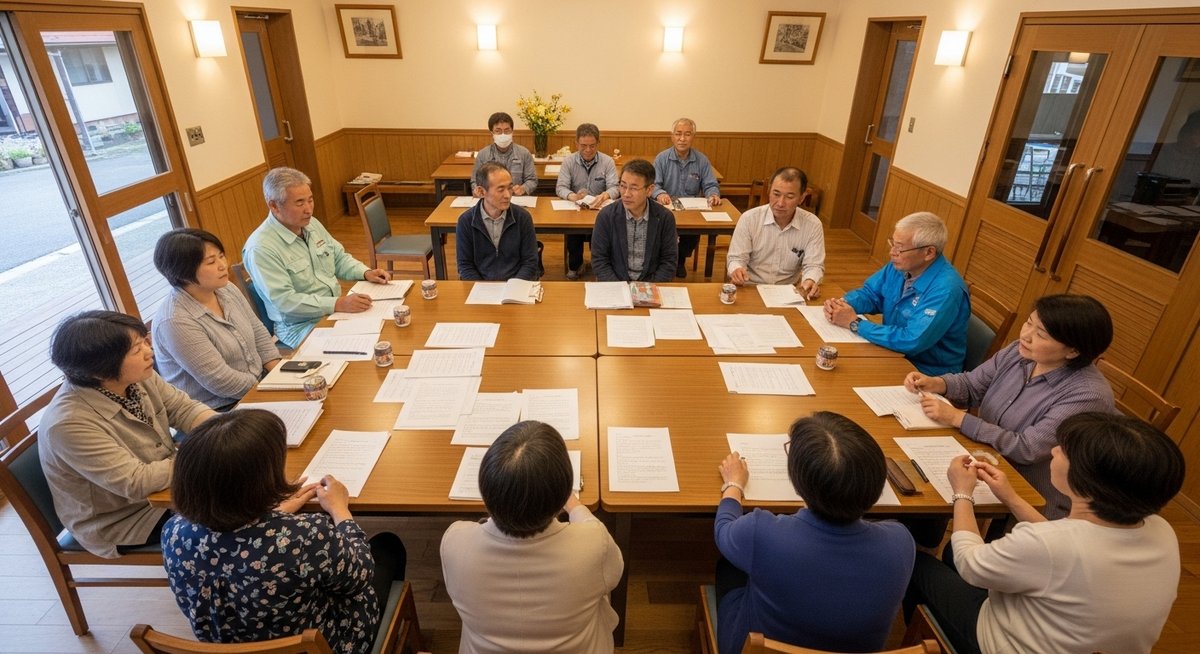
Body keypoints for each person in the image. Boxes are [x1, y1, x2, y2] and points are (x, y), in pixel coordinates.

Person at [904, 412, 1185, 654]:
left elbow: (970, 565)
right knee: (956, 550)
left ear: (1087, 482)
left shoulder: (1048, 545)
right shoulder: (1160, 530)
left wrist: (962, 493)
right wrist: (1012, 498)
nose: (1053, 451)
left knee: (913, 560)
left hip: (1005, 645)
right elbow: (1067, 546)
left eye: (1063, 449)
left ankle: (924, 641)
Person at [163, 410, 406, 654]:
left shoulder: (172, 533)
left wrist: (276, 514)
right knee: (387, 546)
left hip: (228, 648)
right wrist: (340, 509)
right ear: (260, 479)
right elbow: (360, 576)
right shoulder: (304, 535)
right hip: (326, 645)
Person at [715, 411, 915, 654]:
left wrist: (734, 484)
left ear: (798, 479)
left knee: (728, 566)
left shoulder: (761, 533)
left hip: (752, 646)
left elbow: (724, 529)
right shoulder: (901, 543)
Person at [903, 294, 1115, 520]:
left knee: (926, 497)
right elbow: (973, 385)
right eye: (1029, 323)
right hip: (986, 459)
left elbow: (1027, 448)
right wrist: (938, 383)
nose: (1026, 335)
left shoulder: (1087, 395)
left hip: (1032, 495)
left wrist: (958, 419)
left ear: (1073, 351)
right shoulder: (1019, 351)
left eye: (1041, 334)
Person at [38, 311, 216, 558]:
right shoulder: (68, 424)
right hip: (127, 519)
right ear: (100, 371)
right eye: (135, 350)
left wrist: (223, 432)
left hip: (166, 486)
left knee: (253, 488)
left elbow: (183, 408)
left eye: (144, 340)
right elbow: (136, 482)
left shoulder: (137, 376)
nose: (148, 351)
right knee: (237, 517)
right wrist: (205, 454)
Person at [441, 421, 622, 653]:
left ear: (487, 492)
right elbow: (614, 573)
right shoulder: (595, 544)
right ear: (562, 494)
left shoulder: (454, 542)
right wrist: (575, 507)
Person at [242, 167, 389, 348]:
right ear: (274, 205)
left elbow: (338, 258)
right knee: (362, 346)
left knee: (385, 329)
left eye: (310, 200)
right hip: (300, 327)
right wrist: (337, 304)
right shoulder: (261, 248)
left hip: (332, 312)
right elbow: (286, 301)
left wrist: (366, 272)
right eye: (299, 203)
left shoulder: (310, 224)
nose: (308, 209)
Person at [823, 211, 970, 375]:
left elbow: (911, 340)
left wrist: (855, 323)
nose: (892, 252)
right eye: (892, 244)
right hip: (891, 352)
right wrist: (843, 303)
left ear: (929, 252)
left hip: (925, 371)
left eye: (900, 248)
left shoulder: (946, 289)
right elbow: (872, 294)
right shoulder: (902, 265)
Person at [151, 228, 281, 410]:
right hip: (218, 410)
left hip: (259, 385)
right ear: (182, 272)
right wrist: (270, 389)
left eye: (221, 256)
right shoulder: (175, 321)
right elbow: (222, 382)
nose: (222, 265)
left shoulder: (226, 288)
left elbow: (258, 331)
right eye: (211, 262)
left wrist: (280, 375)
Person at [726, 167, 825, 298]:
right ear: (769, 191)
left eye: (789, 196)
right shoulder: (749, 219)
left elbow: (814, 264)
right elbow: (736, 258)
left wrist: (810, 280)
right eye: (776, 194)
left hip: (789, 292)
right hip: (750, 288)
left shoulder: (812, 224)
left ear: (802, 198)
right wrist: (737, 270)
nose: (780, 203)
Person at [652, 118, 721, 278]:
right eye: (678, 134)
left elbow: (710, 184)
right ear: (672, 136)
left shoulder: (701, 160)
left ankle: (680, 260)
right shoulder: (662, 158)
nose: (682, 139)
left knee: (694, 231)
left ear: (693, 137)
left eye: (687, 134)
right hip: (667, 209)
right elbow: (653, 185)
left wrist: (713, 194)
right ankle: (665, 260)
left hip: (691, 210)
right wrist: (660, 193)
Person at [590, 158, 679, 282]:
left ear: (649, 190)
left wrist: (648, 290)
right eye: (623, 186)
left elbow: (669, 261)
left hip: (651, 284)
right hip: (616, 283)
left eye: (634, 188)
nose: (626, 194)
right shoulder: (606, 216)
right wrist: (619, 289)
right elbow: (599, 260)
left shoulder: (664, 217)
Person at [456, 162, 539, 280]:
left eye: (510, 188)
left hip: (515, 285)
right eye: (500, 189)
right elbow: (465, 266)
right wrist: (483, 290)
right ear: (481, 191)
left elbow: (530, 262)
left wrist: (513, 288)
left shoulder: (522, 217)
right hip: (481, 288)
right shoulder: (466, 221)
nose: (507, 195)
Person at [556, 123, 619, 279]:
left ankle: (600, 267)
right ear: (576, 143)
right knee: (574, 234)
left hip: (600, 210)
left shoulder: (607, 161)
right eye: (583, 146)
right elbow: (560, 187)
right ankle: (575, 265)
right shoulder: (569, 162)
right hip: (575, 210)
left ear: (598, 143)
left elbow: (615, 187)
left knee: (601, 236)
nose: (588, 150)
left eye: (592, 146)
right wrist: (573, 196)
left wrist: (604, 195)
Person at [471, 111, 537, 196]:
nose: (503, 134)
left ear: (512, 132)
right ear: (492, 133)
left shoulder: (524, 153)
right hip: (491, 199)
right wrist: (477, 190)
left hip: (516, 199)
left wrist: (523, 188)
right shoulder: (483, 155)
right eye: (498, 131)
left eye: (507, 130)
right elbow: (475, 182)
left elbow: (532, 180)